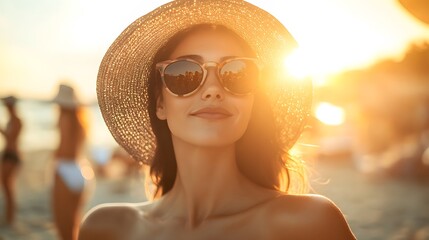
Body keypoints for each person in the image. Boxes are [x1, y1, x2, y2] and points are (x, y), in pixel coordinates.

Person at [79, 1, 356, 239]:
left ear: (253, 101)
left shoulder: (310, 224)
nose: (212, 89)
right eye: (185, 73)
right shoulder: (107, 228)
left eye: (237, 72)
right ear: (160, 103)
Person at [52, 84, 87, 240]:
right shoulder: (80, 121)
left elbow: (63, 147)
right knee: (74, 224)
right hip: (80, 170)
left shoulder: (63, 118)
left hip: (65, 169)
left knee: (62, 227)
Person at [0, 96, 22, 225]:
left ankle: (11, 216)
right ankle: (8, 214)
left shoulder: (17, 120)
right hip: (7, 154)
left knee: (8, 186)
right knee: (5, 185)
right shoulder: (11, 120)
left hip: (12, 155)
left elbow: (11, 138)